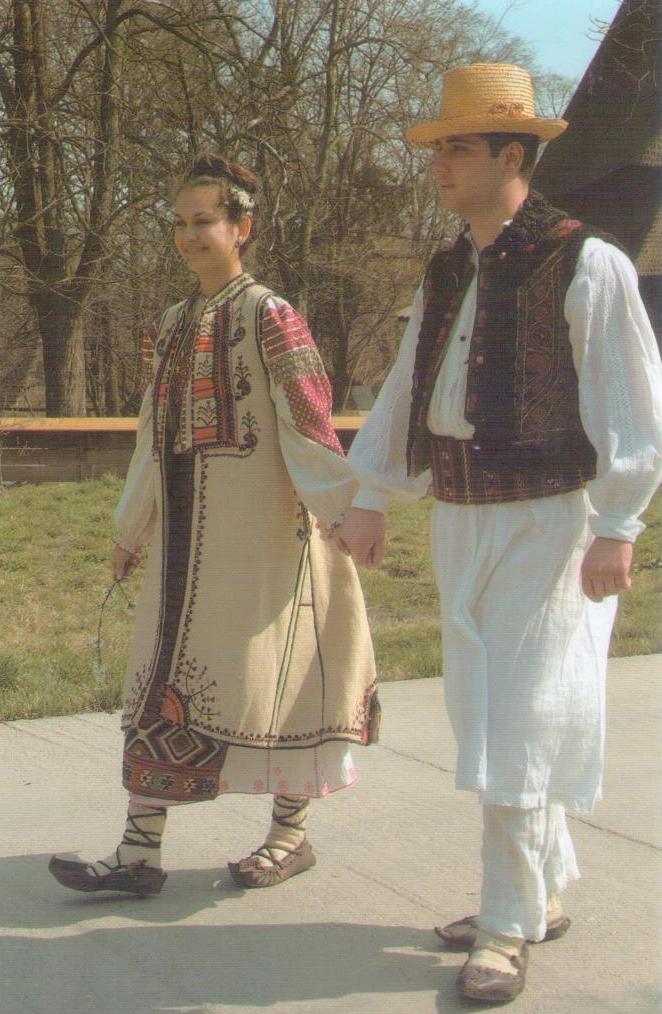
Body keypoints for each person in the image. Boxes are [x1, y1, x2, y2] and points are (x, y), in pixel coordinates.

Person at [333, 64, 662, 1004]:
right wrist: (372, 497)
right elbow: (407, 390)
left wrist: (620, 523)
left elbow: (631, 406)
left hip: (552, 524)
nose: (440, 163)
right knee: (491, 713)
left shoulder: (584, 260)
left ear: (512, 153)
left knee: (525, 722)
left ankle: (507, 925)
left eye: (459, 146)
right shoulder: (446, 268)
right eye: (439, 147)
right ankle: (540, 891)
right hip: (464, 518)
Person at [49, 153, 378, 896]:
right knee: (161, 679)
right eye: (179, 223)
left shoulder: (272, 315)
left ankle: (290, 835)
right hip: (181, 549)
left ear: (242, 228)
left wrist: (344, 511)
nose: (189, 236)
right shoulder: (168, 326)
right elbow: (150, 437)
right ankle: (139, 852)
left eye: (204, 222)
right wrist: (130, 529)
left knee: (283, 675)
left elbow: (308, 424)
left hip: (267, 541)